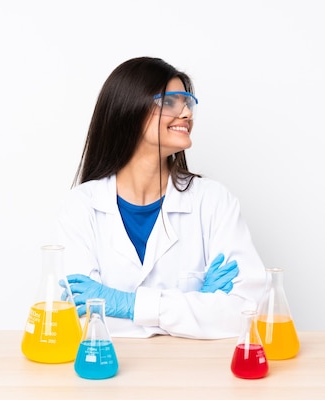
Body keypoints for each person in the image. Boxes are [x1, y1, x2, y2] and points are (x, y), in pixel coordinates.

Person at [57, 57, 266, 339]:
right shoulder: (80, 206)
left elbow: (248, 311)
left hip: (191, 375)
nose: (187, 114)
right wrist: (197, 309)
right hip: (106, 376)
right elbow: (80, 321)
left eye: (187, 102)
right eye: (169, 102)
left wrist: (126, 305)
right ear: (128, 110)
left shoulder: (214, 201)